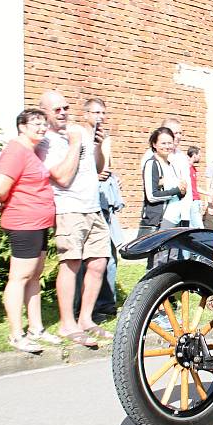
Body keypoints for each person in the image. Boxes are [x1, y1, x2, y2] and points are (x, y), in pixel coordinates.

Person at [37, 90, 111, 346]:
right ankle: (67, 324)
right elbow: (63, 177)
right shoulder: (47, 141)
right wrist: (75, 144)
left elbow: (99, 168)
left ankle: (86, 319)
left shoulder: (79, 131)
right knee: (71, 264)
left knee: (99, 262)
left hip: (93, 207)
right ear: (45, 113)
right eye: (56, 109)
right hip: (69, 209)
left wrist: (98, 145)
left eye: (65, 107)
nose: (63, 113)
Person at [0, 109, 60, 353]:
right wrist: (1, 200)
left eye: (43, 124)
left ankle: (36, 328)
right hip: (24, 222)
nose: (41, 128)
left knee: (34, 276)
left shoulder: (31, 151)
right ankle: (16, 334)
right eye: (35, 124)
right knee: (19, 277)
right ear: (21, 126)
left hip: (38, 222)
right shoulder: (16, 151)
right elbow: (0, 188)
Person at [76, 97, 124, 320]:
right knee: (82, 258)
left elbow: (105, 167)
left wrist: (112, 177)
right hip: (81, 204)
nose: (100, 117)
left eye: (103, 113)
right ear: (85, 114)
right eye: (95, 113)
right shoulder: (76, 136)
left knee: (107, 255)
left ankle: (106, 304)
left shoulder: (104, 139)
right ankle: (81, 307)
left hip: (102, 203)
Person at [140, 127, 187, 267]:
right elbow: (152, 196)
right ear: (154, 144)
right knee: (158, 261)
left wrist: (181, 192)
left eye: (170, 143)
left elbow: (176, 191)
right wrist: (176, 190)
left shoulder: (171, 165)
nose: (167, 146)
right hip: (161, 220)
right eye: (163, 143)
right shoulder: (152, 164)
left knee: (171, 261)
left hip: (175, 218)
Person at [186, 146, 205, 229]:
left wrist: (208, 193)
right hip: (192, 201)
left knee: (193, 227)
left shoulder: (193, 168)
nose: (200, 157)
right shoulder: (186, 168)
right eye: (199, 155)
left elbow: (195, 187)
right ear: (194, 155)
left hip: (196, 201)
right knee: (199, 227)